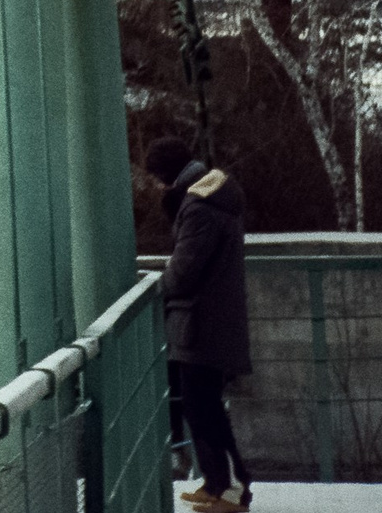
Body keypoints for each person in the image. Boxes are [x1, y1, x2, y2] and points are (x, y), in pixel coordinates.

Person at [145, 135, 252, 508]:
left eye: (158, 178)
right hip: (211, 320)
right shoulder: (211, 198)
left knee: (203, 409)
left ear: (168, 174)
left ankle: (232, 488)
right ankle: (217, 484)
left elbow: (184, 271)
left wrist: (161, 286)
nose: (158, 187)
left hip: (201, 323)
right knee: (203, 406)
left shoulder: (199, 207)